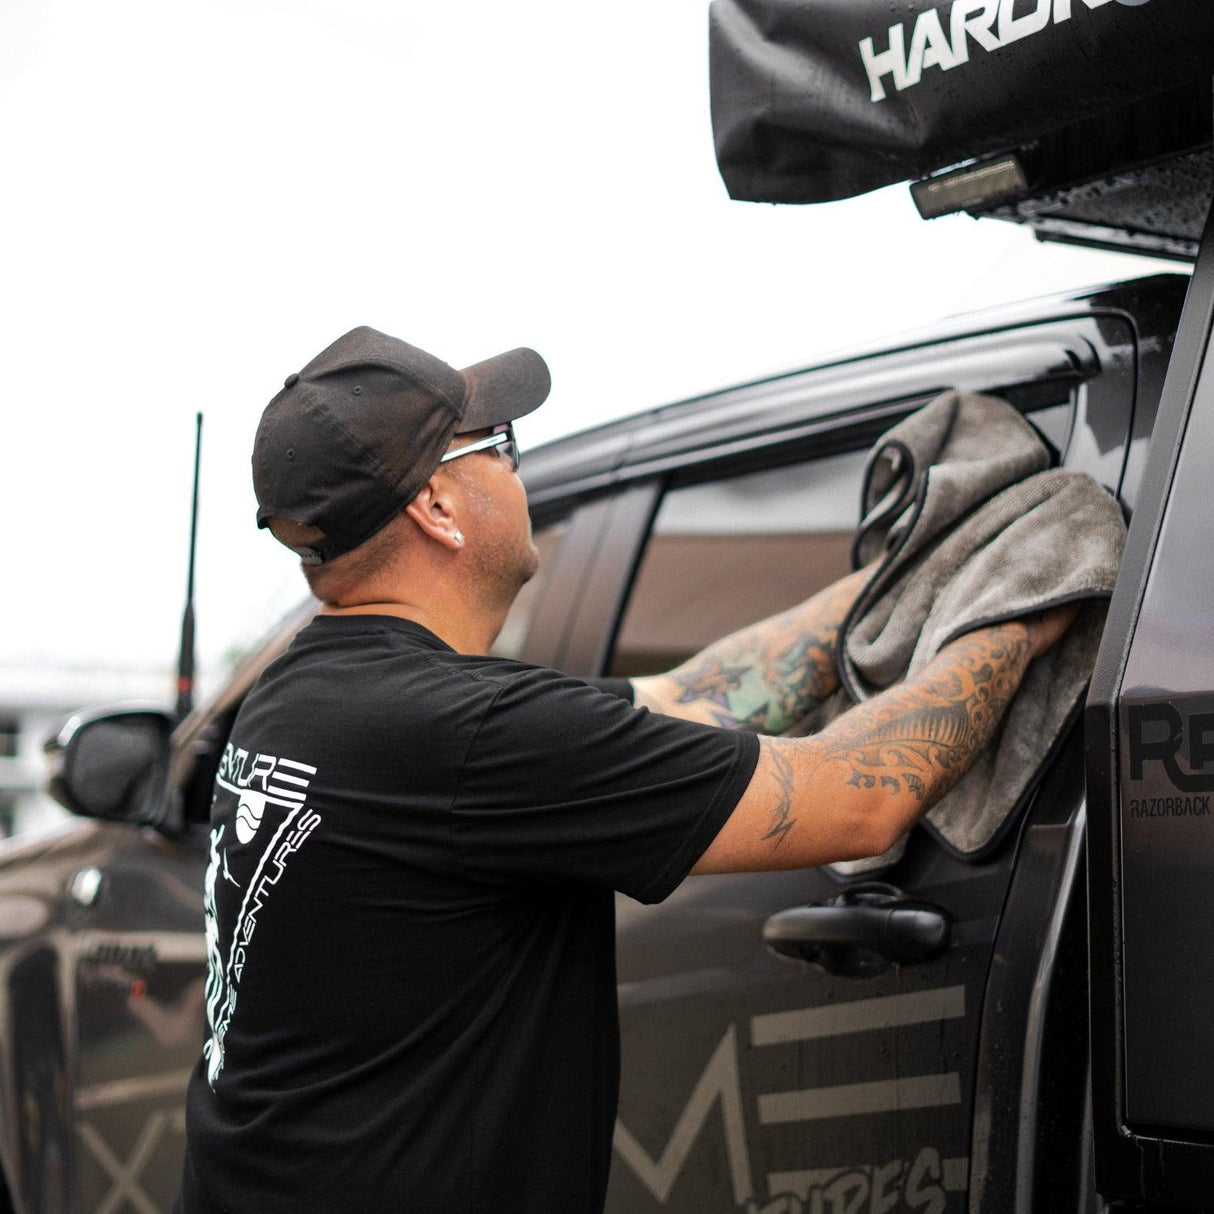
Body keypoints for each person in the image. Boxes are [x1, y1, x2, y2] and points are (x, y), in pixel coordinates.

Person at [175, 327, 1075, 1214]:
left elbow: (691, 695)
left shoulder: (304, 696)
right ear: (438, 508)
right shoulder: (464, 733)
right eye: (500, 446)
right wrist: (1027, 598)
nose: (517, 473)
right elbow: (854, 801)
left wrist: (910, 574)